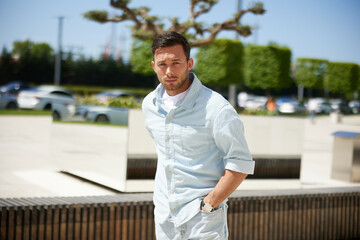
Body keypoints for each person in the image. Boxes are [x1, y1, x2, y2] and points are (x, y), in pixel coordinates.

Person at [142, 31, 254, 239]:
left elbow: (241, 163)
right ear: (154, 66)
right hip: (164, 219)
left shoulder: (216, 108)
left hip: (203, 221)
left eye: (176, 62)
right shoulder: (150, 104)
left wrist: (209, 204)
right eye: (162, 64)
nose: (169, 71)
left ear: (189, 63)